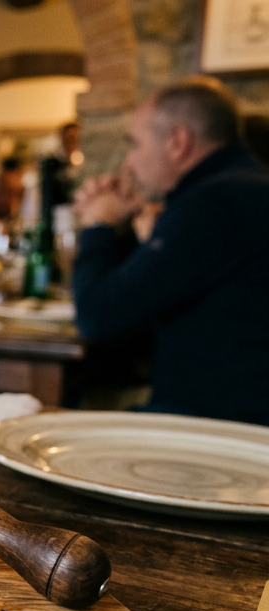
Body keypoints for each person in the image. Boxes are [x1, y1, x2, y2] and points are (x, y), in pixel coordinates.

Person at [71, 77, 269, 426]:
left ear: (177, 142)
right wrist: (124, 222)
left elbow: (98, 315)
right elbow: (147, 299)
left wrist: (98, 226)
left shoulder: (213, 204)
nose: (129, 163)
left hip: (219, 429)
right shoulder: (243, 187)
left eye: (135, 144)